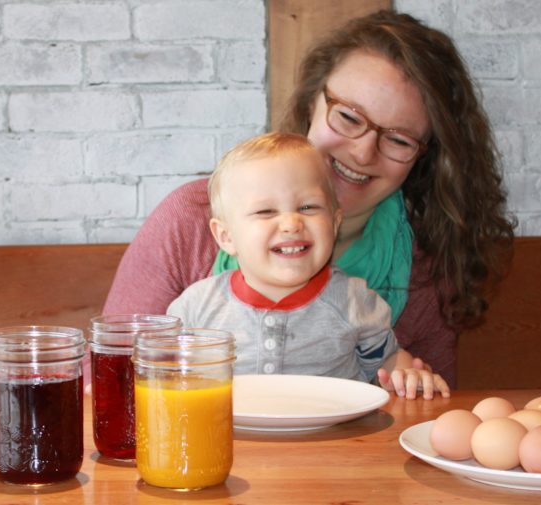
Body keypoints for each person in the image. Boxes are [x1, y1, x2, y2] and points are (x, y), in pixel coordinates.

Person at [103, 10, 515, 388]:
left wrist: (411, 383)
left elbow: (427, 420)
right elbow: (115, 378)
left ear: (426, 157)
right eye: (349, 117)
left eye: (399, 139)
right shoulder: (190, 218)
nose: (362, 152)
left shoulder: (424, 266)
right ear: (311, 104)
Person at [167, 132, 449, 399]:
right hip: (228, 446)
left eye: (308, 207)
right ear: (226, 236)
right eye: (266, 211)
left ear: (335, 223)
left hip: (333, 445)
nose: (291, 223)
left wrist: (407, 374)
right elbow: (165, 379)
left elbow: (387, 362)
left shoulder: (355, 302)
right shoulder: (196, 308)